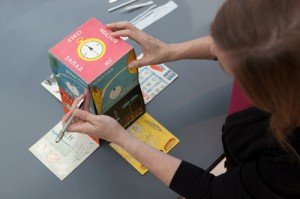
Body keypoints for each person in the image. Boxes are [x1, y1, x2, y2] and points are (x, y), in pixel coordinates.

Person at [62, 0, 300, 198]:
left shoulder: (287, 161)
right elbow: (238, 45)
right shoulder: (285, 36)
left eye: (232, 69)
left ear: (269, 86)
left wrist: (120, 137)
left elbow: (211, 192)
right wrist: (169, 50)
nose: (214, 49)